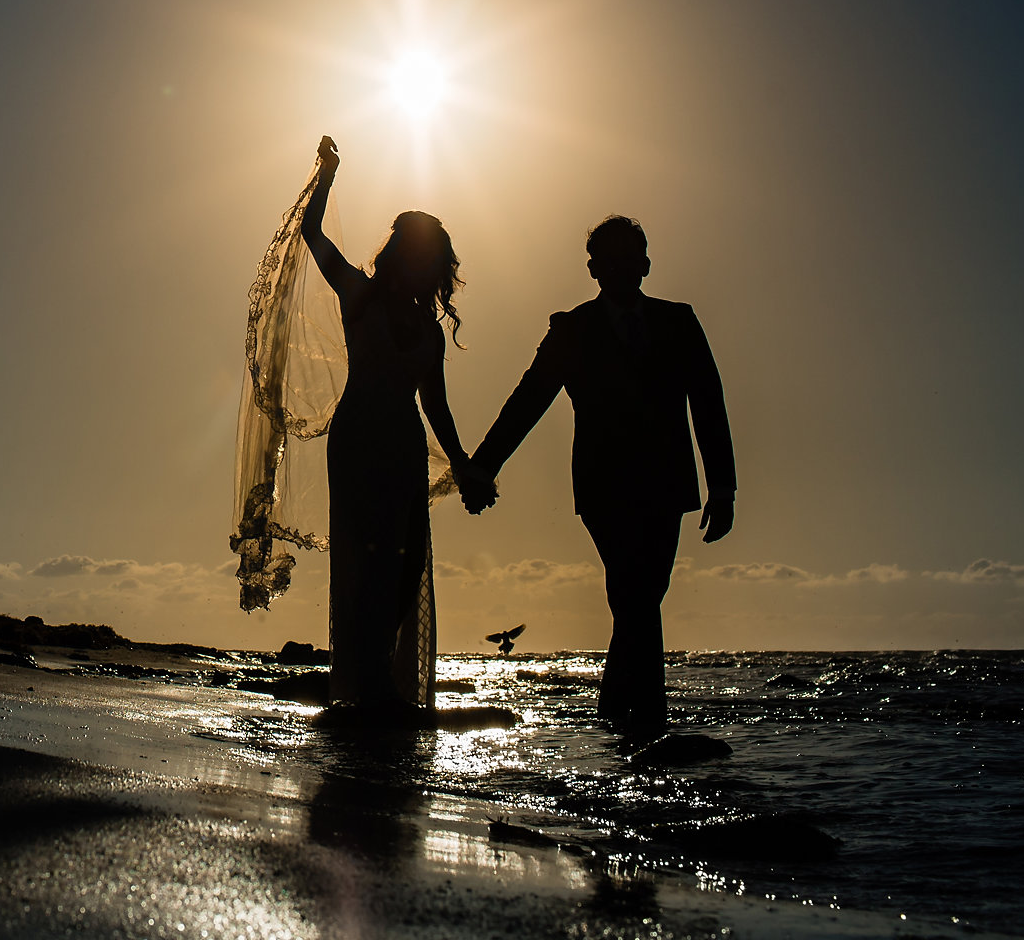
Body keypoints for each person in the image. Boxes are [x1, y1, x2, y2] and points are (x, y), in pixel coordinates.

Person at [464, 215, 734, 736]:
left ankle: (618, 715)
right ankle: (647, 720)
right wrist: (483, 467)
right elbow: (529, 400)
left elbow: (708, 402)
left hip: (666, 483)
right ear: (593, 268)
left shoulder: (678, 321)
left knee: (640, 594)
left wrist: (722, 485)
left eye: (630, 256)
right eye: (609, 257)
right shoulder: (573, 329)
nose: (620, 266)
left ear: (646, 264)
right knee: (635, 593)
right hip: (605, 488)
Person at [301, 136, 483, 714]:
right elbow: (313, 236)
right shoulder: (360, 294)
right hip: (358, 442)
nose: (425, 266)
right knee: (368, 561)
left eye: (434, 259)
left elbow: (438, 408)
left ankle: (381, 679)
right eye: (418, 253)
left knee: (405, 568)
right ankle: (369, 687)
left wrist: (467, 467)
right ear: (401, 254)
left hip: (404, 447)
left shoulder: (431, 331)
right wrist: (326, 175)